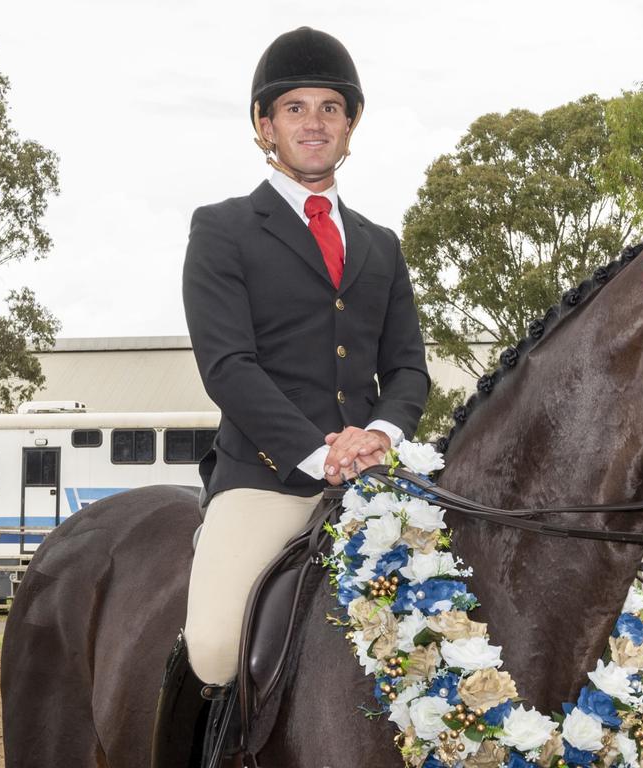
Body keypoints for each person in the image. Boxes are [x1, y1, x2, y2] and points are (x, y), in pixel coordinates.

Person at [150, 26, 430, 767]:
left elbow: (408, 370)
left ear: (350, 125)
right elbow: (228, 365)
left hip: (375, 477)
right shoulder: (223, 230)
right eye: (296, 107)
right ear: (264, 125)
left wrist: (379, 435)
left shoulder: (381, 244)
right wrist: (318, 453)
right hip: (266, 477)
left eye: (331, 107)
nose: (315, 121)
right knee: (212, 644)